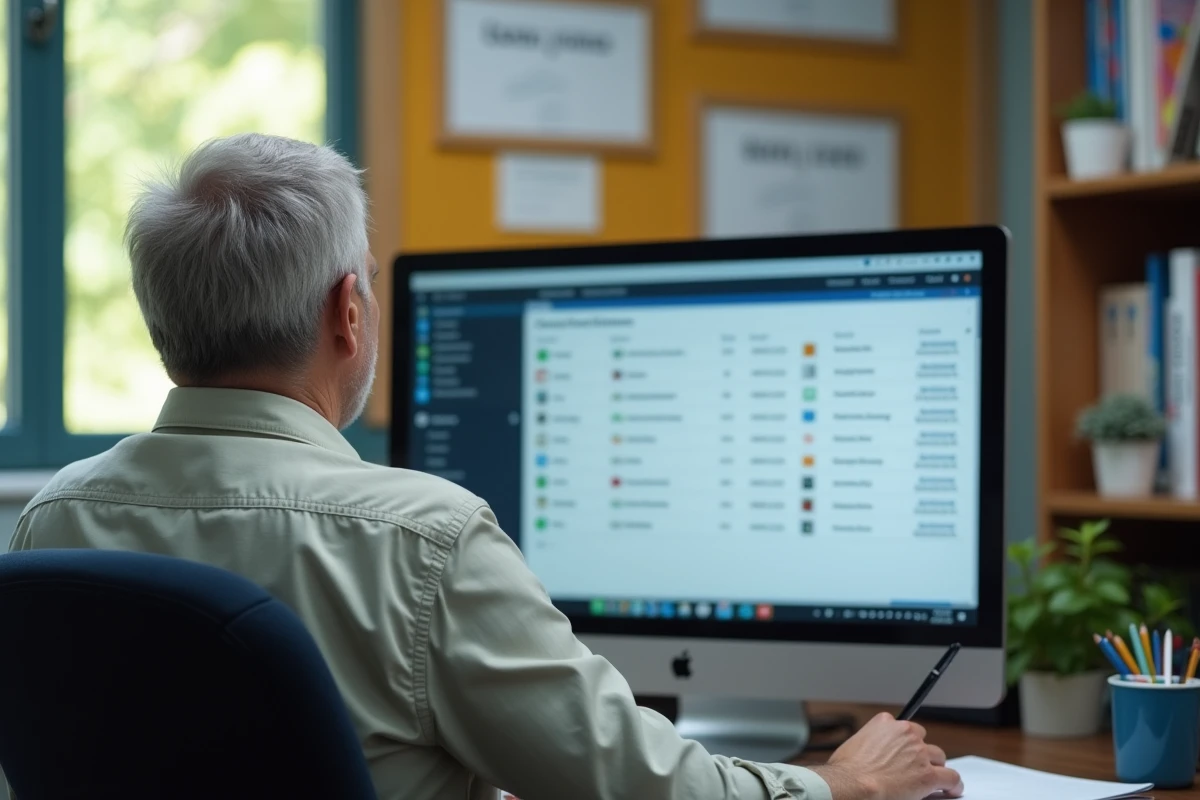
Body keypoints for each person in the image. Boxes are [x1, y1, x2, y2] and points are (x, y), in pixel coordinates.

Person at [9, 134, 963, 800]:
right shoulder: (424, 540)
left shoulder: (52, 522)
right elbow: (649, 790)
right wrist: (849, 780)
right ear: (349, 311)